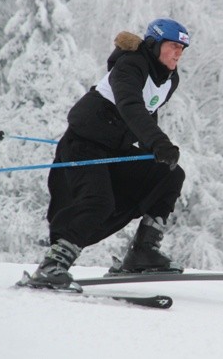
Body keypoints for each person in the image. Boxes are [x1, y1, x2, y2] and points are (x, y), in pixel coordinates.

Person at [28, 18, 190, 289]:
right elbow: (130, 105)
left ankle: (142, 251)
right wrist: (158, 142)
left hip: (115, 149)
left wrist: (153, 149)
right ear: (154, 44)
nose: (178, 53)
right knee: (98, 201)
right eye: (173, 46)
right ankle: (52, 265)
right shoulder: (130, 65)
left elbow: (148, 113)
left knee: (167, 176)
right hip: (83, 144)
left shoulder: (170, 80)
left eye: (182, 49)